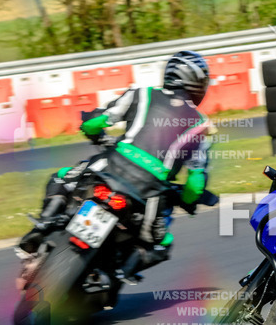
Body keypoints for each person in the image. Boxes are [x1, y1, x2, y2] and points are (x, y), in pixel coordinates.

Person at [19, 50, 214, 281]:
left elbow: (93, 122)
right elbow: (195, 184)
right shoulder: (201, 126)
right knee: (161, 244)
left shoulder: (141, 94)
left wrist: (98, 136)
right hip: (148, 192)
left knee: (61, 178)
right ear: (198, 84)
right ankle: (118, 275)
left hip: (109, 168)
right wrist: (188, 200)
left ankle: (44, 223)